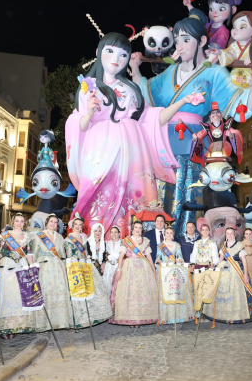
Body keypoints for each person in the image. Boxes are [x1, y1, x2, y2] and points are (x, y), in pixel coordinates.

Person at [130, 9, 252, 234]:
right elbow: (145, 96)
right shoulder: (167, 74)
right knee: (158, 198)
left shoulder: (215, 73)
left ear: (202, 41)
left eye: (186, 40)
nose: (180, 45)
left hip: (193, 146)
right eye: (177, 40)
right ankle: (157, 243)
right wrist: (135, 70)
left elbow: (242, 107)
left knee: (190, 198)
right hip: (161, 146)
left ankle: (187, 245)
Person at [66, 33, 201, 237]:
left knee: (132, 205)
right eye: (109, 51)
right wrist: (91, 111)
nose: (116, 58)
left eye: (123, 54)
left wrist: (182, 102)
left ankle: (132, 245)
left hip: (132, 153)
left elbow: (152, 118)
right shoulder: (88, 87)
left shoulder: (130, 89)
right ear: (98, 53)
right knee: (98, 202)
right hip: (100, 153)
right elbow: (80, 125)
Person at [203, 227, 252, 324]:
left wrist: (246, 275)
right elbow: (221, 259)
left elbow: (244, 261)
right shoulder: (223, 246)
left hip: (237, 272)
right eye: (228, 233)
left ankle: (238, 314)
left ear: (234, 235)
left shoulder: (239, 245)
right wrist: (216, 270)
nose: (230, 235)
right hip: (224, 271)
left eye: (231, 233)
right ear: (225, 235)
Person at [63, 218, 113, 330]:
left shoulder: (84, 239)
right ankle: (78, 321)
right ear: (72, 225)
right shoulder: (68, 239)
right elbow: (69, 256)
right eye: (76, 224)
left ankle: (90, 318)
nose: (77, 226)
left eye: (80, 225)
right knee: (77, 294)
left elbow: (86, 253)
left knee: (91, 291)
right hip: (74, 268)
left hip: (85, 266)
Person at [0, 213, 38, 336]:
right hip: (7, 267)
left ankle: (18, 325)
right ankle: (6, 326)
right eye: (17, 221)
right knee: (7, 296)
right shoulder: (5, 236)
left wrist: (32, 268)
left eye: (22, 221)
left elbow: (29, 254)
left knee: (21, 296)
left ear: (25, 223)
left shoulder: (28, 237)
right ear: (13, 222)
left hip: (22, 267)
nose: (19, 223)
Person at [110, 221, 158, 326]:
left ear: (142, 230)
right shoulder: (126, 241)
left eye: (140, 228)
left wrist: (153, 269)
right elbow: (121, 255)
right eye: (136, 227)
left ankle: (143, 316)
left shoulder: (145, 241)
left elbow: (148, 256)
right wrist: (119, 269)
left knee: (142, 292)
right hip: (129, 267)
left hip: (143, 268)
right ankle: (130, 317)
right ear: (132, 229)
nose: (138, 229)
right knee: (130, 291)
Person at [155, 227, 195, 325]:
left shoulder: (177, 245)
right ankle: (166, 316)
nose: (168, 235)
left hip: (174, 271)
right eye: (167, 233)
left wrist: (179, 260)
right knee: (165, 293)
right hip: (165, 271)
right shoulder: (160, 246)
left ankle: (178, 316)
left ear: (173, 235)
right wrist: (161, 262)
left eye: (170, 233)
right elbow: (158, 258)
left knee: (176, 291)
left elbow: (179, 257)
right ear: (164, 234)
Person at [102, 227, 123, 295]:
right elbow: (104, 255)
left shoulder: (122, 243)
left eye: (115, 232)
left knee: (117, 285)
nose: (114, 234)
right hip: (108, 267)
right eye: (112, 232)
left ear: (119, 233)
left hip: (118, 266)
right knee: (107, 284)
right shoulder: (107, 243)